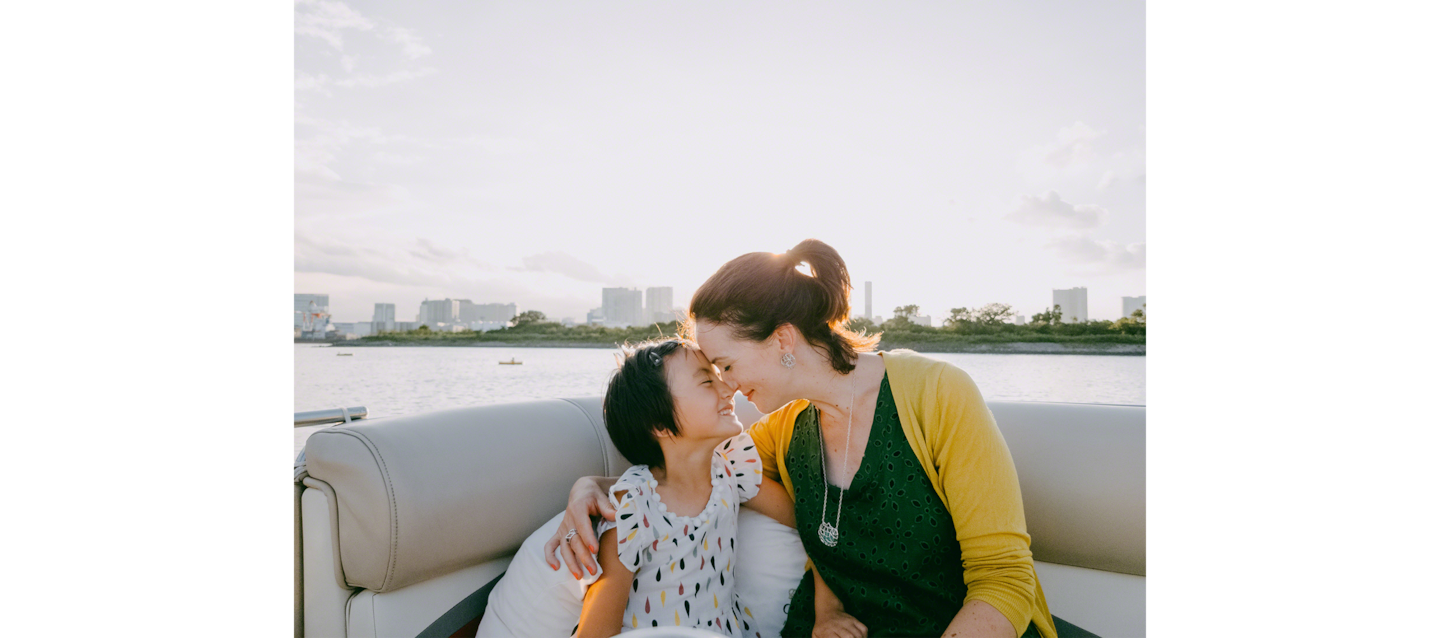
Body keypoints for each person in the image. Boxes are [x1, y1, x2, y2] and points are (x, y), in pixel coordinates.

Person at [548, 239, 1064, 638]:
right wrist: (589, 486)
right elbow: (685, 465)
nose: (725, 383)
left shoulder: (937, 395)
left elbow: (1003, 578)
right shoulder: (781, 430)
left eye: (726, 364)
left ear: (784, 340)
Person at [571, 338, 796, 637]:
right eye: (707, 381)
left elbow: (800, 520)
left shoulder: (731, 470)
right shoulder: (633, 510)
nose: (729, 389)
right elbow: (596, 631)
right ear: (660, 425)